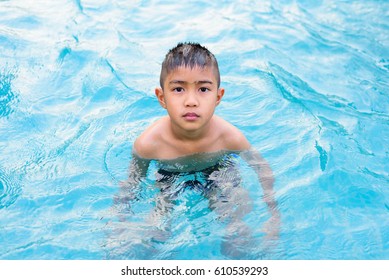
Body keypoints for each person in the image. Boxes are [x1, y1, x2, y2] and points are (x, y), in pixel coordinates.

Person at [114, 42, 280, 258]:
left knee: (235, 215)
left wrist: (273, 217)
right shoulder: (148, 144)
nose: (191, 101)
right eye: (178, 89)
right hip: (168, 174)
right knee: (156, 225)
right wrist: (119, 221)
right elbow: (131, 183)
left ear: (218, 97)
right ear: (162, 97)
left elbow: (262, 169)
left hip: (218, 168)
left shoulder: (228, 137)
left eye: (203, 89)